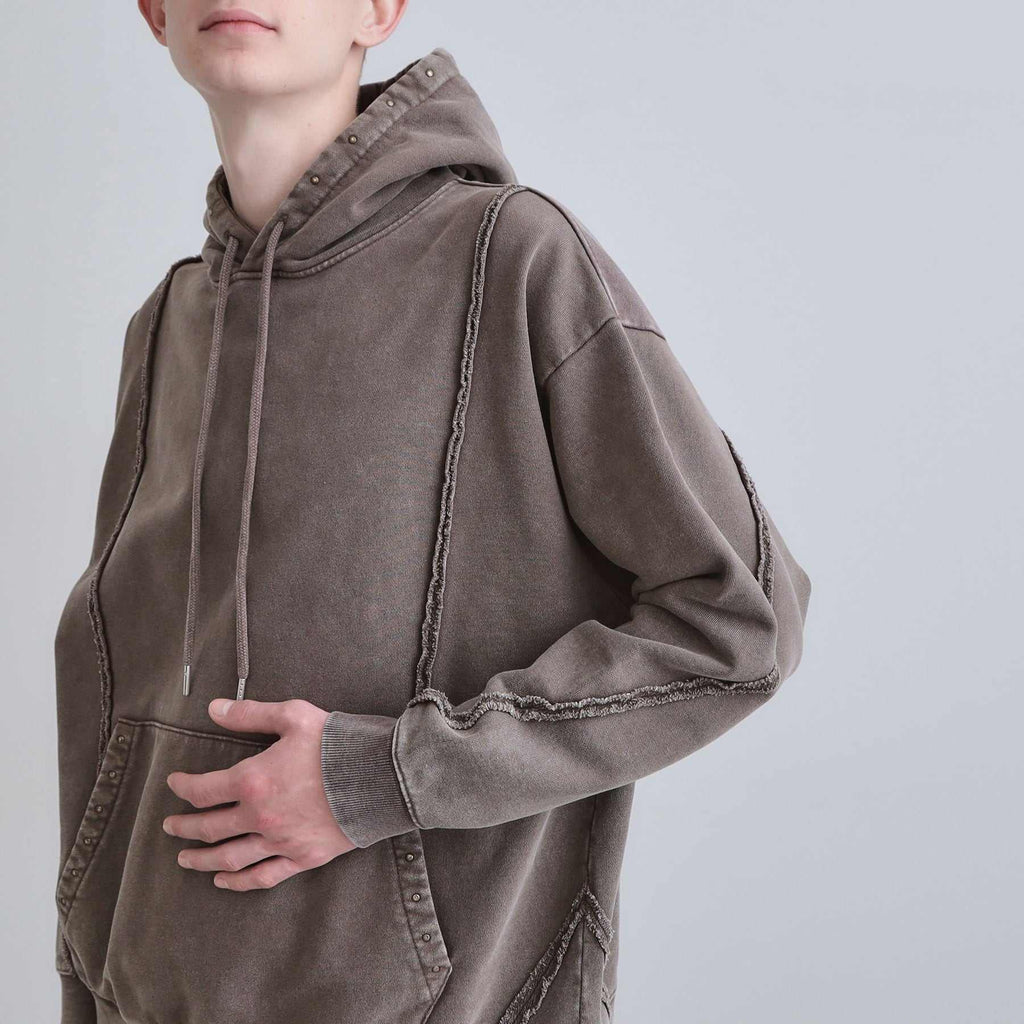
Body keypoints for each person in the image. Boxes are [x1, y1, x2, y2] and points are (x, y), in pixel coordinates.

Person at [52, 3, 813, 1022]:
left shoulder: (514, 258)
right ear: (153, 12)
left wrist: (389, 776)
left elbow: (741, 622)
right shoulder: (168, 324)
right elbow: (106, 693)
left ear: (378, 8)